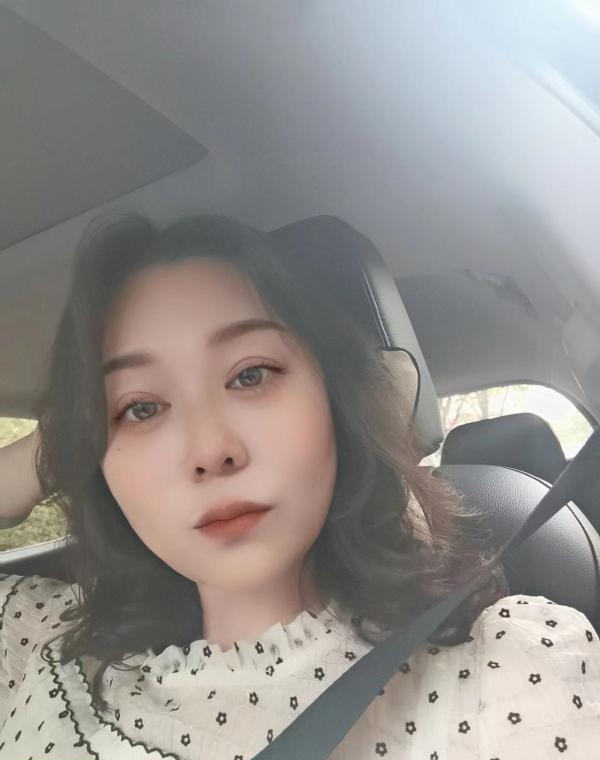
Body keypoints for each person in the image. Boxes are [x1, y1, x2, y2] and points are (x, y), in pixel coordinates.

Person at [1, 213, 598, 760]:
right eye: (140, 408)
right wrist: (59, 443)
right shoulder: (50, 641)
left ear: (334, 402)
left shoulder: (502, 678)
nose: (209, 451)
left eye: (250, 375)